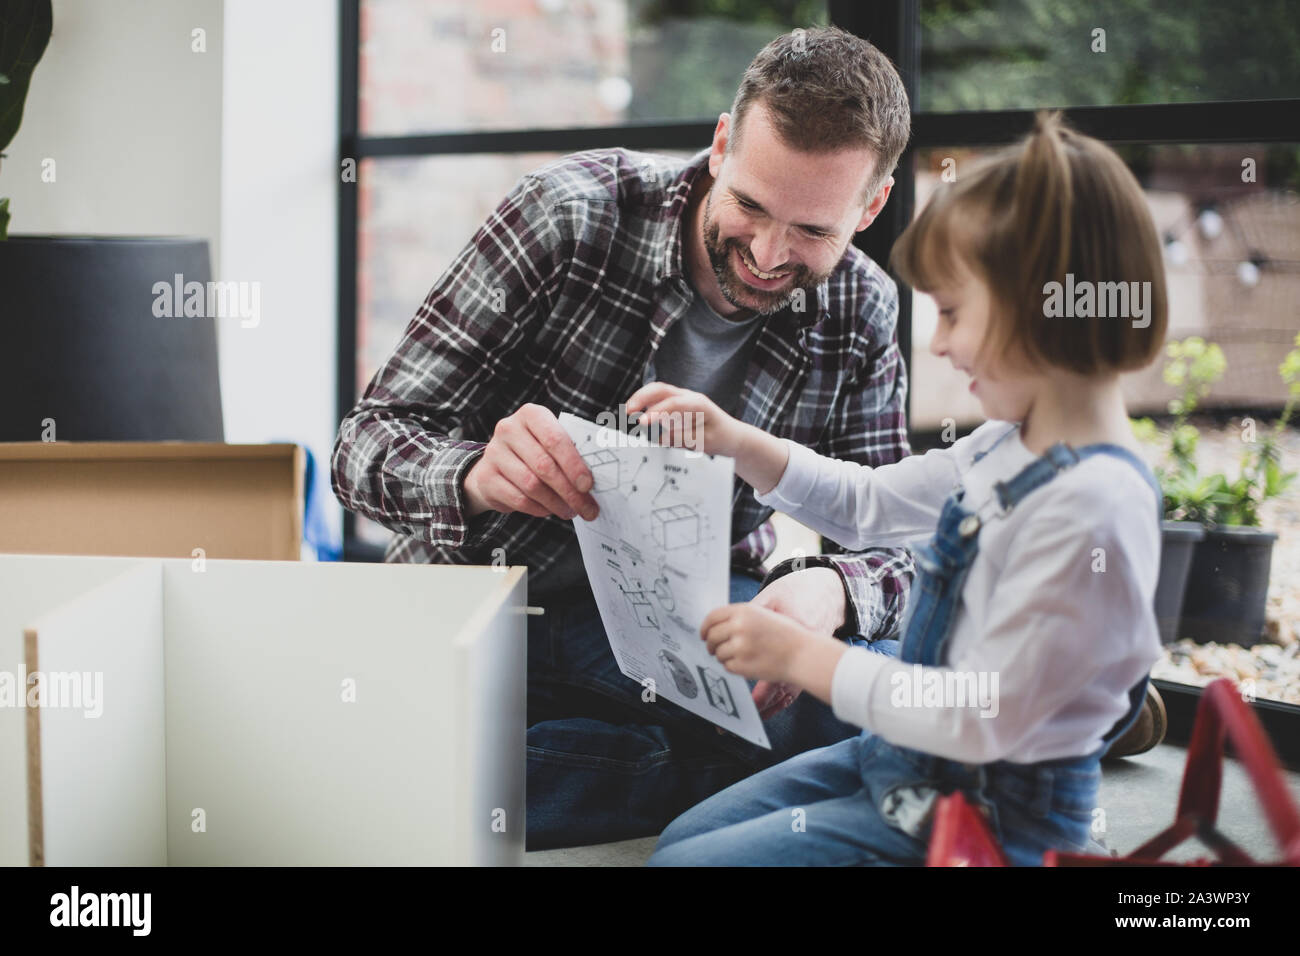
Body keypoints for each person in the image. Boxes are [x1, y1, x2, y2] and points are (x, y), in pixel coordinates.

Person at [331, 27, 916, 849]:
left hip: (688, 620)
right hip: (488, 598)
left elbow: (898, 541)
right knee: (388, 765)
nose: (766, 255)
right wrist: (472, 473)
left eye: (813, 233)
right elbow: (362, 448)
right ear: (720, 145)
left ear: (871, 207)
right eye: (749, 205)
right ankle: (648, 772)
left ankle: (604, 769)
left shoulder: (861, 309)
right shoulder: (568, 215)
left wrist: (830, 591)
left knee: (856, 707)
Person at [631, 110, 1169, 866]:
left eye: (952, 311)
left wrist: (801, 659)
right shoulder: (1004, 445)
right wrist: (733, 439)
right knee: (686, 841)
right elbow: (870, 504)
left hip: (986, 820)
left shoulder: (1094, 508)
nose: (941, 344)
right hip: (903, 759)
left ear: (1044, 307)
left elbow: (979, 715)